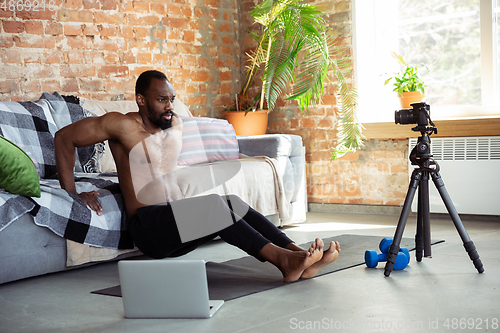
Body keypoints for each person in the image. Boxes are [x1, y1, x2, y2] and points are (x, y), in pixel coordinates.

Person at [54, 70, 340, 282]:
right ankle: (283, 262)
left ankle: (298, 255)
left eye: (172, 99)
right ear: (141, 100)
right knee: (216, 205)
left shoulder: (172, 124)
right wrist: (72, 192)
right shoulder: (121, 125)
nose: (169, 106)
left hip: (174, 221)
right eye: (161, 100)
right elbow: (64, 138)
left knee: (232, 203)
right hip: (148, 226)